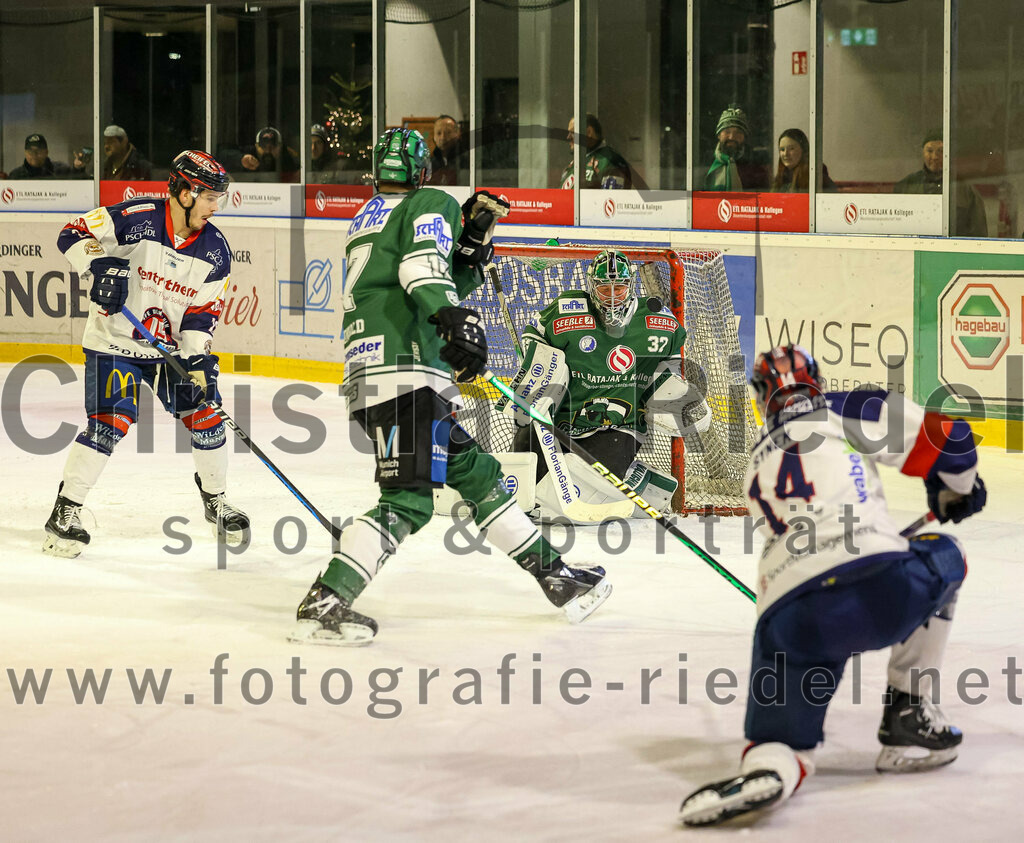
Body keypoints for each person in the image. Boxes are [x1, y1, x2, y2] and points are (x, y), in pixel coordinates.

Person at [289, 128, 611, 645]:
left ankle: (557, 578)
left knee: (478, 473)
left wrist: (469, 249)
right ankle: (327, 600)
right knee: (409, 500)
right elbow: (422, 273)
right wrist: (453, 317)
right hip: (407, 370)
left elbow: (422, 274)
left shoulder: (367, 214)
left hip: (376, 368)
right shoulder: (432, 199)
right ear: (422, 170)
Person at [678, 345, 985, 827]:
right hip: (876, 586)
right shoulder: (842, 409)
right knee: (947, 553)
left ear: (762, 400)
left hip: (786, 616)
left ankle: (772, 766)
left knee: (779, 743)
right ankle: (910, 711)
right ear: (816, 382)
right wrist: (956, 489)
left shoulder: (754, 465)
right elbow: (952, 438)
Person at [42, 150, 249, 558]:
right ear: (184, 191)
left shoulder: (216, 251)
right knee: (109, 423)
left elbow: (201, 314)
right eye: (209, 196)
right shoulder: (136, 217)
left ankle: (216, 500)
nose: (215, 206)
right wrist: (100, 266)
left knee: (207, 416)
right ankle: (65, 511)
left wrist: (197, 361)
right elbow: (72, 231)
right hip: (114, 340)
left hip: (167, 351)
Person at [506, 249, 710, 522]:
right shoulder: (569, 311)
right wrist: (540, 371)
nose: (612, 295)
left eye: (620, 287)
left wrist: (676, 398)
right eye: (604, 287)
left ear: (631, 287)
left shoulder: (657, 321)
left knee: (595, 484)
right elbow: (535, 335)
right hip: (559, 420)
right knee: (526, 487)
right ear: (592, 287)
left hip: (616, 426)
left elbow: (667, 370)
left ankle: (637, 481)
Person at [894, 130, 988, 237]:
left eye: (941, 151)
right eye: (929, 151)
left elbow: (979, 234)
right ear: (922, 153)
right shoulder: (907, 185)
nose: (935, 157)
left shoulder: (965, 189)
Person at [703, 104, 769, 191]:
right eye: (727, 132)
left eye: (738, 132)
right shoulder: (704, 162)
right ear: (719, 135)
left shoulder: (755, 166)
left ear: (744, 137)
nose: (731, 137)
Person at [559, 114, 632, 190]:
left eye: (572, 133)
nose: (568, 137)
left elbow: (611, 199)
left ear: (588, 132)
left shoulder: (611, 161)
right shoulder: (574, 164)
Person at [770, 128, 836, 193]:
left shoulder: (817, 177)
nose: (785, 154)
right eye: (782, 149)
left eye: (791, 148)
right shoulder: (781, 177)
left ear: (803, 150)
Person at [7, 133, 84, 179]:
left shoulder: (61, 171)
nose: (35, 154)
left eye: (39, 151)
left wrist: (78, 168)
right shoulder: (15, 176)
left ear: (46, 152)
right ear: (25, 153)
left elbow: (77, 185)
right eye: (31, 151)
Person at [427, 114, 467, 186]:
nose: (443, 137)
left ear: (457, 134)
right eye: (439, 133)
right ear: (434, 137)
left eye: (448, 132)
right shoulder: (428, 163)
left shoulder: (467, 160)